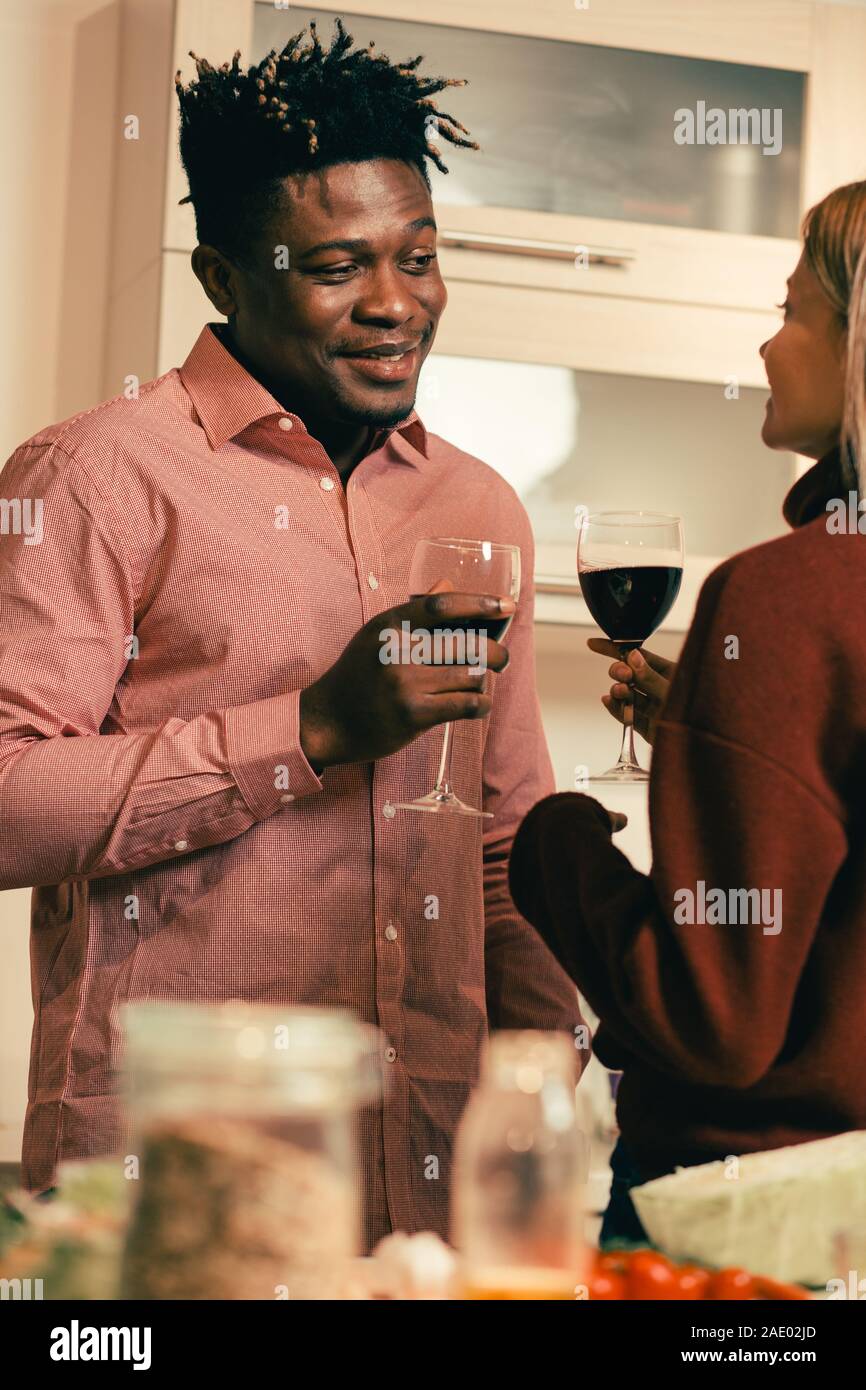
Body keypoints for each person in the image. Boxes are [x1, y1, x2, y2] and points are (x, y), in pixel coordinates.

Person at [0, 18, 582, 1249]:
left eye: (417, 258)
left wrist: (545, 1089)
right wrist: (312, 728)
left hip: (426, 1191)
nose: (395, 305)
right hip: (172, 1190)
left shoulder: (477, 505)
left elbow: (501, 839)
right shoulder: (96, 476)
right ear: (220, 276)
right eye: (336, 268)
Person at [509, 179, 866, 1245]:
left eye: (792, 311)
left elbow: (709, 1021)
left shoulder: (784, 595)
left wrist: (551, 844)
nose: (767, 348)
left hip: (745, 1227)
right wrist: (715, 734)